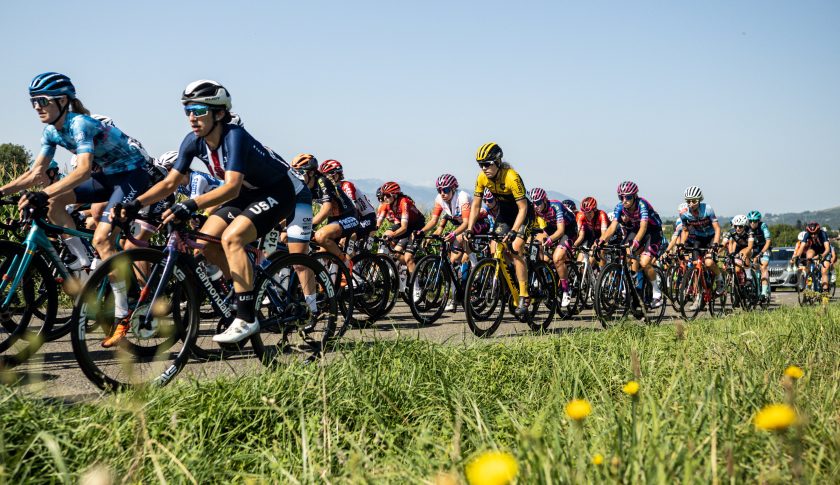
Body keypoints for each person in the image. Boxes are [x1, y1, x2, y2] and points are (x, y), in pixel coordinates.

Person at [120, 80, 305, 345]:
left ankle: (246, 317)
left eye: (199, 110)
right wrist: (134, 204)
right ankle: (245, 290)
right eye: (188, 111)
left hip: (276, 192)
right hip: (246, 195)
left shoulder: (234, 137)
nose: (192, 118)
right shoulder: (193, 141)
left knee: (233, 238)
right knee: (204, 242)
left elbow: (231, 187)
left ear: (219, 113)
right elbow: (169, 183)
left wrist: (190, 204)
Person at [2, 73, 151, 339]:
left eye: (43, 100)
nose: (37, 106)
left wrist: (42, 193)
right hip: (106, 177)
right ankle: (82, 263)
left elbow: (82, 171)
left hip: (133, 174)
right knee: (54, 203)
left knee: (102, 238)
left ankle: (122, 311)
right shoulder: (50, 131)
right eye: (33, 101)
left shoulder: (80, 124)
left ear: (62, 101)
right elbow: (36, 173)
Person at [466, 142, 532, 317]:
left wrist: (514, 231)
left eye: (487, 164)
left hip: (522, 213)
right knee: (495, 248)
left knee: (516, 247)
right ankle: (510, 278)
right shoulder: (482, 178)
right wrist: (470, 229)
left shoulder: (511, 176)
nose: (484, 168)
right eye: (481, 165)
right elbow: (475, 206)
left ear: (497, 160)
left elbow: (523, 208)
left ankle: (524, 295)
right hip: (505, 214)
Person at [596, 181, 664, 307]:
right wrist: (600, 241)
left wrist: (636, 242)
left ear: (635, 196)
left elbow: (644, 227)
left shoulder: (642, 204)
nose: (624, 200)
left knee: (644, 262)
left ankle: (656, 291)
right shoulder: (620, 207)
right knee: (625, 251)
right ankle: (634, 284)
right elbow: (612, 228)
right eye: (621, 197)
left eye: (628, 197)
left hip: (652, 231)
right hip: (636, 229)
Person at [291, 155, 358, 268]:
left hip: (349, 216)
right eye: (295, 173)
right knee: (322, 258)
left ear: (311, 173)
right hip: (333, 220)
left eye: (300, 173)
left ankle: (345, 264)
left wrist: (309, 225)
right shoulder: (304, 186)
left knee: (321, 236)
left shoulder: (322, 180)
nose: (297, 177)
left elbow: (326, 209)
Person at [529, 188, 576, 307]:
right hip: (552, 226)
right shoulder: (535, 208)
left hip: (568, 229)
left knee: (557, 258)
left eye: (539, 202)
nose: (536, 206)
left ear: (545, 200)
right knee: (534, 242)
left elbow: (560, 231)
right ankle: (539, 275)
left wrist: (550, 240)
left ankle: (566, 290)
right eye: (534, 203)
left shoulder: (556, 206)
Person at [318, 159, 377, 247]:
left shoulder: (346, 186)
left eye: (330, 174)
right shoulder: (327, 189)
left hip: (366, 218)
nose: (327, 178)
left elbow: (353, 208)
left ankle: (348, 260)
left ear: (338, 174)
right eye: (324, 175)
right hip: (346, 218)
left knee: (346, 240)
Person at [678, 186, 723, 295]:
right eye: (688, 201)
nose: (691, 204)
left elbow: (717, 228)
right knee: (695, 265)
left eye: (694, 201)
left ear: (699, 200)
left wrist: (715, 244)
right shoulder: (684, 213)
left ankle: (719, 279)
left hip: (711, 237)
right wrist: (681, 244)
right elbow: (685, 230)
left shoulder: (708, 209)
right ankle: (698, 294)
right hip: (698, 238)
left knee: (708, 262)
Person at [379, 182, 426, 282]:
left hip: (416, 226)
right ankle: (400, 268)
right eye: (383, 195)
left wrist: (393, 236)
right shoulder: (388, 204)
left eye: (387, 195)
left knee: (408, 258)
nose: (384, 198)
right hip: (405, 225)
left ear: (395, 195)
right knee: (389, 243)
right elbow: (378, 223)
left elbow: (404, 228)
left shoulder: (404, 202)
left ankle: (416, 286)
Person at [790, 221, 831, 294]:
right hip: (814, 249)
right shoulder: (807, 234)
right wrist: (797, 256)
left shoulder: (823, 234)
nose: (813, 235)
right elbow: (801, 247)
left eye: (815, 233)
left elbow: (827, 248)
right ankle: (809, 274)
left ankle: (825, 292)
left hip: (825, 251)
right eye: (811, 233)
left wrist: (822, 256)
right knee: (808, 256)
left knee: (824, 271)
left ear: (818, 231)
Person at [746, 210, 772, 300]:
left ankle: (764, 293)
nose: (752, 223)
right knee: (754, 267)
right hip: (754, 249)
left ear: (758, 221)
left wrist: (761, 253)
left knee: (763, 267)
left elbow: (768, 241)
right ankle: (755, 288)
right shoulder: (747, 228)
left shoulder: (763, 226)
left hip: (764, 248)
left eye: (755, 221)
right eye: (750, 221)